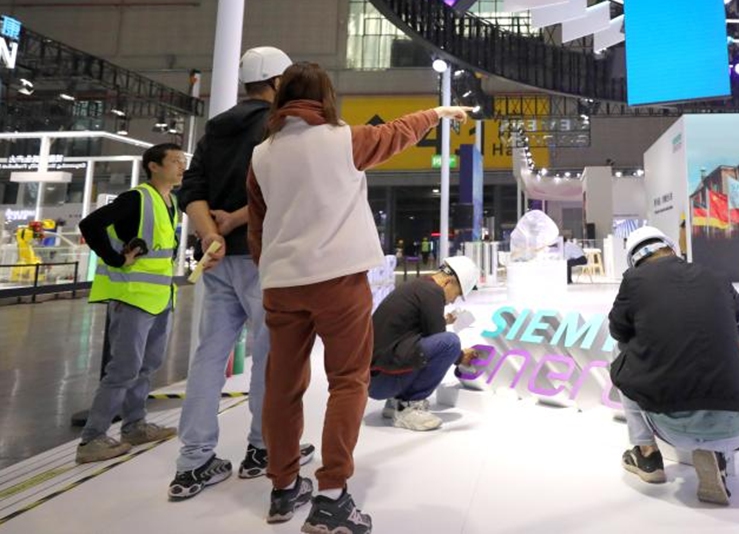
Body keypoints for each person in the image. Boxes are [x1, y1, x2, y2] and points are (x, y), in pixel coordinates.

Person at [247, 61, 471, 533]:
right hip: (338, 279)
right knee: (348, 380)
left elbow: (258, 225)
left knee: (282, 385)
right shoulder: (343, 139)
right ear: (326, 95)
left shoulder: (262, 155)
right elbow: (397, 132)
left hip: (281, 284)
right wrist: (437, 112)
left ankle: (283, 488)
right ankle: (331, 496)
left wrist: (268, 269)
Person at [169, 47, 315, 501]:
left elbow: (191, 189)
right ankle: (263, 449)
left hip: (217, 261)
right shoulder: (277, 125)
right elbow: (284, 190)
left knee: (210, 357)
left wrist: (211, 233)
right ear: (277, 83)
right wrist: (235, 221)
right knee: (270, 358)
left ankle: (193, 462)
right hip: (263, 257)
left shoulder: (216, 128)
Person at [608, 226, 739, 506]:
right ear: (672, 249)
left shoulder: (634, 281)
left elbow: (619, 333)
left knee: (619, 354)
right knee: (724, 349)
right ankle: (717, 453)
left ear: (633, 260)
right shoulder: (715, 277)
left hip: (671, 427)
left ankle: (647, 454)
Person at [75, 143, 186, 464]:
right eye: (175, 161)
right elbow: (90, 225)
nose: (181, 167)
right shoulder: (137, 198)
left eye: (182, 161)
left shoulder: (171, 203)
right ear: (153, 166)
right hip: (133, 297)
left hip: (161, 297)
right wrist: (114, 257)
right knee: (123, 369)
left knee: (147, 366)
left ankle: (134, 425)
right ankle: (92, 439)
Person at [369, 255, 482, 430]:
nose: (453, 300)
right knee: (451, 343)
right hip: (384, 380)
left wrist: (443, 320)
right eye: (457, 294)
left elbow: (412, 327)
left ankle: (396, 405)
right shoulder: (433, 292)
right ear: (448, 281)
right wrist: (460, 357)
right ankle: (409, 406)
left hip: (374, 380)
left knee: (440, 344)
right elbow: (439, 339)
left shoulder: (418, 286)